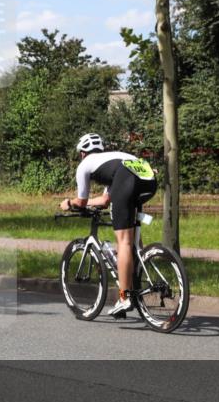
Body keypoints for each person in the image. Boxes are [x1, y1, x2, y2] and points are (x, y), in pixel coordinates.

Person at [59, 133, 158, 317]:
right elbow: (105, 200)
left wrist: (68, 203)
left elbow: (81, 201)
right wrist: (88, 203)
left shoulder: (84, 165)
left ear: (82, 153)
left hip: (127, 177)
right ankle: (136, 280)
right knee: (133, 242)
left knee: (124, 242)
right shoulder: (113, 158)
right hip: (148, 178)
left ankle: (124, 297)